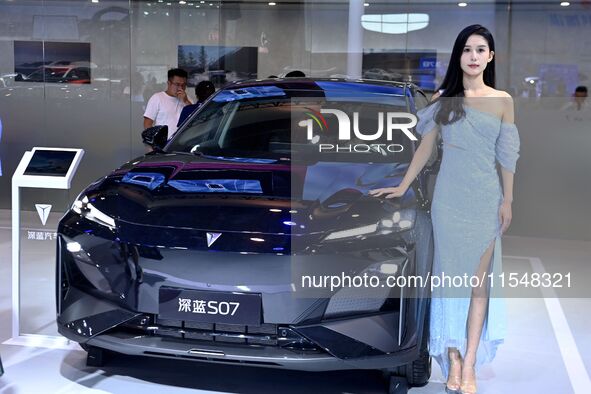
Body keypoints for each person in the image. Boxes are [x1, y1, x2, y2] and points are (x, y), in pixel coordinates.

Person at [370, 24, 520, 394]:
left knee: (477, 286)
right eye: (467, 49)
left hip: (485, 200)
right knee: (449, 284)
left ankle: (469, 363)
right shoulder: (443, 99)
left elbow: (507, 155)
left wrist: (508, 200)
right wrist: (402, 185)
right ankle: (451, 360)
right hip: (449, 202)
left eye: (480, 49)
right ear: (459, 56)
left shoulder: (503, 100)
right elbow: (425, 148)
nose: (473, 56)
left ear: (490, 56)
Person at [143, 68, 192, 140]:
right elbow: (147, 123)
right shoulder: (157, 98)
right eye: (177, 84)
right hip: (163, 144)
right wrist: (152, 142)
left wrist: (185, 101)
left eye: (183, 85)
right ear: (169, 83)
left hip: (183, 143)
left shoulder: (188, 99)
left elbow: (195, 119)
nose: (180, 88)